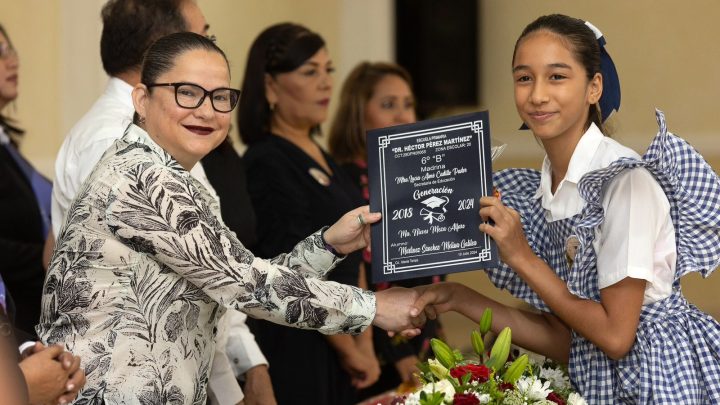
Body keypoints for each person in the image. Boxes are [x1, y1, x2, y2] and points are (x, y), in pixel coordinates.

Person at [38, 32, 422, 405]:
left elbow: (240, 276)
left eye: (220, 97)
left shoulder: (179, 180)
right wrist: (375, 308)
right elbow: (246, 285)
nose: (206, 111)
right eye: (186, 92)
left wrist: (329, 245)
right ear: (142, 98)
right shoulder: (142, 177)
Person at [411, 14, 720, 403]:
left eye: (557, 76)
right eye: (524, 78)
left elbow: (615, 338)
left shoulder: (623, 181)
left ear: (594, 87)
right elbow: (569, 338)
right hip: (598, 380)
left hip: (658, 381)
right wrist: (457, 298)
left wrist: (522, 256)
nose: (537, 95)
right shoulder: (544, 189)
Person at [49, 1, 271, 403]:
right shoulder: (112, 143)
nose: (210, 50)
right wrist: (377, 307)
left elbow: (213, 273)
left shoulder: (167, 140)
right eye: (203, 36)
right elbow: (225, 279)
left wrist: (243, 371)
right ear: (161, 50)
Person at [239, 23, 378, 404]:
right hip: (300, 339)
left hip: (344, 328)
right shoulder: (266, 160)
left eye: (328, 70)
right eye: (309, 72)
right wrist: (352, 350)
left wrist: (361, 340)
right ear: (270, 86)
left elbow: (355, 255)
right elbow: (292, 268)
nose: (325, 83)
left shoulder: (321, 154)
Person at [328, 61, 442, 398]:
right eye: (388, 105)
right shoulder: (346, 180)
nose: (403, 116)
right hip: (377, 346)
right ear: (357, 114)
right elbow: (356, 275)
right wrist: (397, 350)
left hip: (423, 337)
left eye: (408, 104)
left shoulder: (416, 179)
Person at [0, 23, 50, 339]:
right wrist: (55, 258)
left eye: (10, 49)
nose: (12, 61)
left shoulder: (6, 144)